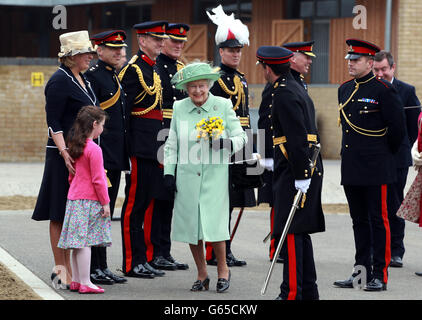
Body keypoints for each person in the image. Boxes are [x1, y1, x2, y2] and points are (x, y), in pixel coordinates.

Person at [163, 62, 247, 293]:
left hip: (214, 176)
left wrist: (226, 143)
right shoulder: (179, 108)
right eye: (192, 87)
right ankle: (201, 273)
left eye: (201, 86)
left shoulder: (222, 105)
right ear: (186, 89)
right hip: (187, 177)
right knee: (192, 227)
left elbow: (242, 137)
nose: (197, 91)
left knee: (215, 226)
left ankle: (223, 270)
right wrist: (169, 173)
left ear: (209, 85)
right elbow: (171, 145)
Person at [333, 39, 405, 291]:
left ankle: (380, 275)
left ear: (370, 62)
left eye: (356, 60)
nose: (351, 64)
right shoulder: (344, 89)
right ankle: (361, 272)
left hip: (376, 166)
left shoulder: (384, 90)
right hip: (352, 166)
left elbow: (397, 130)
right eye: (349, 60)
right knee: (358, 220)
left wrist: (383, 156)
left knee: (378, 220)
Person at [256, 46, 325, 300]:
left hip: (296, 168)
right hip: (296, 165)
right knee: (300, 230)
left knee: (293, 232)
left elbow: (297, 138)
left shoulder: (284, 92)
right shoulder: (291, 88)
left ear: (267, 68)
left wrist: (301, 174)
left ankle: (292, 293)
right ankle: (308, 290)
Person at [32, 30, 97, 289]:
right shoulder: (59, 80)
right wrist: (64, 152)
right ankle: (61, 269)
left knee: (74, 212)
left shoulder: (83, 79)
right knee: (59, 211)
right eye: (85, 53)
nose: (90, 57)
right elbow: (53, 121)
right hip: (63, 155)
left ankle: (72, 269)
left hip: (82, 154)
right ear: (72, 57)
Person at [118, 21, 171, 279]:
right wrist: (126, 150)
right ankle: (131, 261)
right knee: (134, 205)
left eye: (162, 39)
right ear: (142, 41)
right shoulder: (133, 70)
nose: (161, 43)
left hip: (154, 145)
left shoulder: (154, 69)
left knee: (147, 203)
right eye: (156, 39)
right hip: (139, 146)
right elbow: (124, 114)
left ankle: (144, 257)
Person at [205, 4, 254, 267]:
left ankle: (226, 248)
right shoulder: (215, 78)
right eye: (230, 50)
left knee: (235, 198)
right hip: (222, 144)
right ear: (220, 51)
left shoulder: (242, 78)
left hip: (241, 142)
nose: (235, 54)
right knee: (220, 200)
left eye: (238, 50)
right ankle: (214, 252)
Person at [85, 30, 129, 285]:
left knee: (107, 210)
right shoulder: (95, 77)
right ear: (98, 50)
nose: (118, 52)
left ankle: (101, 265)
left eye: (120, 48)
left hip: (114, 156)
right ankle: (93, 266)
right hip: (103, 155)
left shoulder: (113, 77)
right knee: (99, 211)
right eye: (112, 48)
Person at [373, 50, 421, 268]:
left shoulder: (407, 91)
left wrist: (405, 148)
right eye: (376, 70)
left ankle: (396, 250)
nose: (380, 73)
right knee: (374, 204)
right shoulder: (370, 88)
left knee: (394, 203)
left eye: (384, 69)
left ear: (393, 68)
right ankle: (377, 248)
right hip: (374, 158)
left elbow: (414, 126)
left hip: (397, 158)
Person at [57, 105, 111, 294]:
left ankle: (77, 281)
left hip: (74, 200)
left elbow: (72, 176)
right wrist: (105, 203)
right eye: (102, 125)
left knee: (76, 244)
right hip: (89, 201)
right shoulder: (94, 149)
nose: (102, 129)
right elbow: (98, 180)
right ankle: (86, 282)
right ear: (94, 124)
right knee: (85, 243)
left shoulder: (75, 145)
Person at [151, 23, 191, 271]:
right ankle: (154, 251)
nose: (178, 46)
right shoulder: (153, 67)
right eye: (174, 42)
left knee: (170, 197)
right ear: (162, 42)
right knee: (157, 196)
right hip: (158, 137)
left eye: (181, 43)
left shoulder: (182, 70)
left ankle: (164, 251)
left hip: (177, 137)